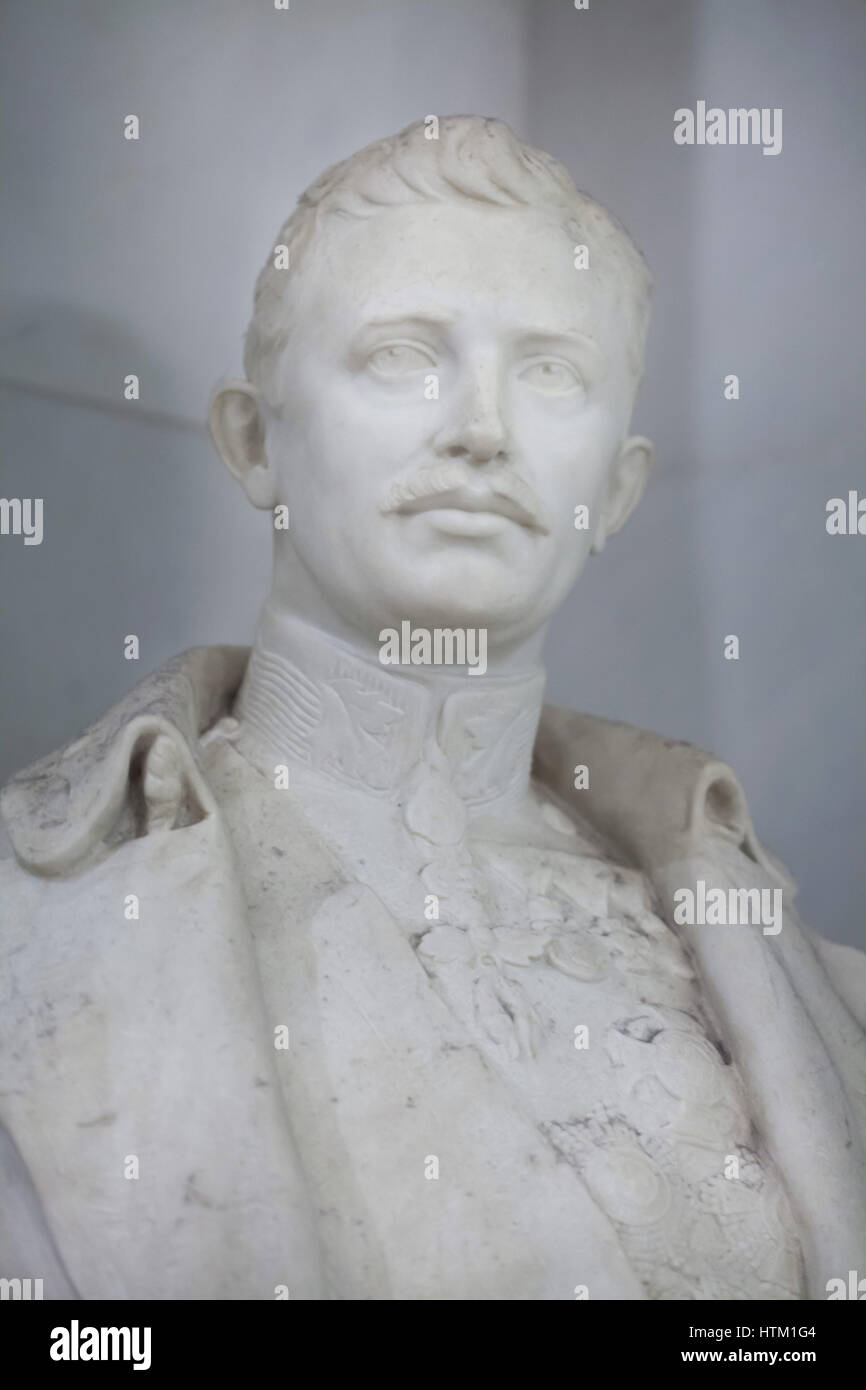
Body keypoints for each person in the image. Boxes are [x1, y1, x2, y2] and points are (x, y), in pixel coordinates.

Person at [2, 116, 864, 1301]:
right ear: (253, 443)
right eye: (402, 355)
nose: (479, 429)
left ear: (614, 488)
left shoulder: (790, 963)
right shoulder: (36, 921)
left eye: (550, 371)